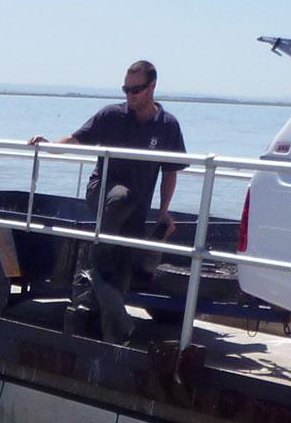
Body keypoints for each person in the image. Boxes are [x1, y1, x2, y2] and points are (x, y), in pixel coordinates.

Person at [31, 60, 185, 343]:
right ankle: (119, 325)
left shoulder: (167, 126)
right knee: (121, 198)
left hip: (134, 214)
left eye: (136, 89)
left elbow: (170, 172)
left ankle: (104, 333)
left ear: (152, 86)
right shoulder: (111, 115)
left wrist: (163, 211)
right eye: (126, 89)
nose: (130, 95)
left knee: (116, 279)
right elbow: (77, 138)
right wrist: (50, 144)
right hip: (102, 193)